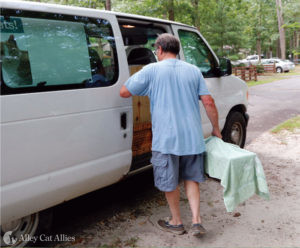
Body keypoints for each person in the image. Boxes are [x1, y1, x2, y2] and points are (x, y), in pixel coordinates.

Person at [120, 33, 222, 236]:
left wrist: (148, 87)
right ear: (176, 50)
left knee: (169, 181)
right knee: (191, 179)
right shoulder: (193, 71)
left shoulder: (150, 70)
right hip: (192, 138)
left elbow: (124, 92)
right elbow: (208, 102)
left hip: (165, 140)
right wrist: (216, 129)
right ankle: (196, 220)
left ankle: (176, 221)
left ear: (159, 49)